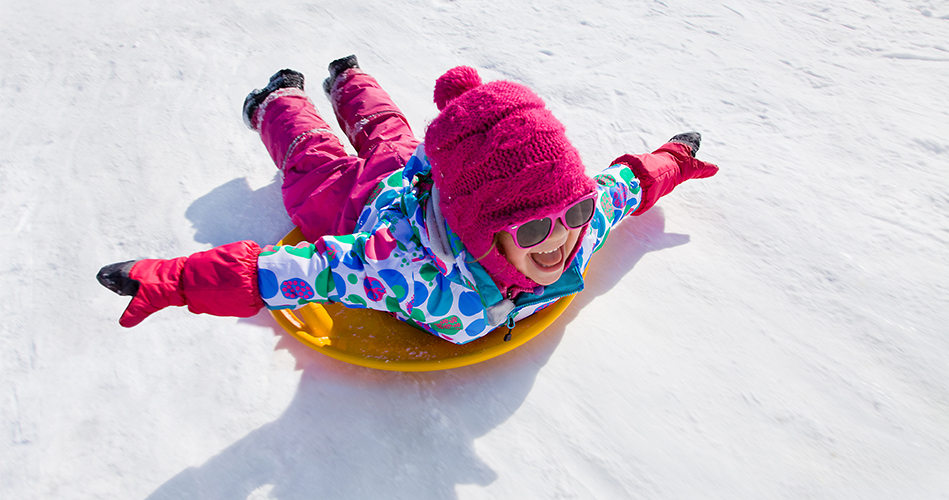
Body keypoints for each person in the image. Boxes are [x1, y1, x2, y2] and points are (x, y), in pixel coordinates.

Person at [97, 56, 719, 344]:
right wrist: (180, 278)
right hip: (356, 206)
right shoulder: (405, 271)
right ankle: (276, 101)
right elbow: (292, 272)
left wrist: (674, 159)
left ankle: (350, 80)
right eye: (532, 231)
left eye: (575, 213)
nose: (561, 240)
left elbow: (623, 185)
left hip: (423, 172)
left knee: (392, 135)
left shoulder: (578, 221)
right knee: (313, 162)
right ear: (483, 232)